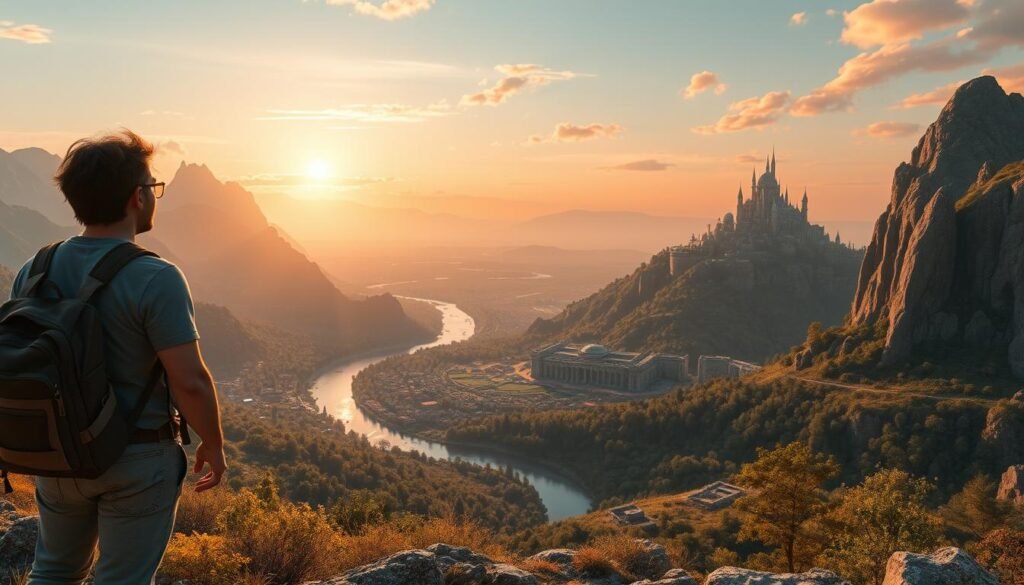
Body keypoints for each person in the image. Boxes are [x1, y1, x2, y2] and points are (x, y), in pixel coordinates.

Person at [7, 130, 227, 585]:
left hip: (59, 453)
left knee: (52, 572)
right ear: (137, 198)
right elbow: (190, 382)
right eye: (152, 186)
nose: (154, 194)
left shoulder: (36, 267)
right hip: (137, 459)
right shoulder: (155, 276)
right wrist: (214, 442)